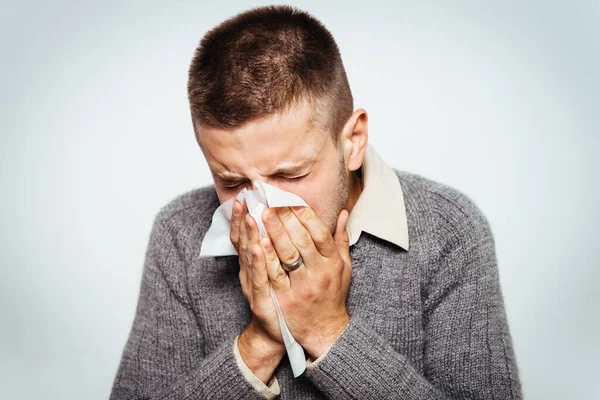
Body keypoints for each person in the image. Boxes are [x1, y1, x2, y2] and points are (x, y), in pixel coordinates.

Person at [110, 5, 522, 399]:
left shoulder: (448, 230)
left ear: (353, 141)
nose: (262, 208)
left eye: (290, 175)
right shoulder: (180, 232)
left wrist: (326, 330)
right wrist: (260, 342)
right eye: (232, 181)